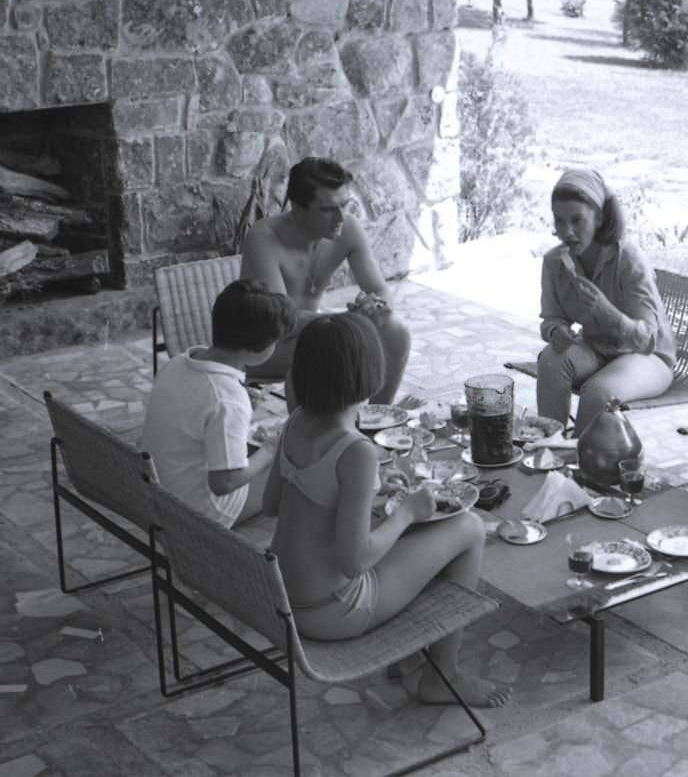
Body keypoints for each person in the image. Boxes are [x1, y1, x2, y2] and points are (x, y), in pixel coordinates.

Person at [265, 312, 511, 708]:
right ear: (368, 373)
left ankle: (415, 657)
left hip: (286, 597)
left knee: (417, 533)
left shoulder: (295, 422)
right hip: (334, 612)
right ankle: (441, 675)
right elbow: (354, 561)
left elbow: (272, 505)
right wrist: (406, 512)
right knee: (468, 528)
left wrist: (372, 502)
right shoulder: (356, 451)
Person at [241, 157, 411, 408]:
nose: (341, 217)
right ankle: (303, 440)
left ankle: (379, 419)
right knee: (320, 348)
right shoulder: (263, 238)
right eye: (329, 209)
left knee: (396, 331)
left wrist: (378, 308)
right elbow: (281, 320)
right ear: (298, 210)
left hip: (310, 331)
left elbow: (379, 288)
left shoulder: (347, 229)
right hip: (262, 346)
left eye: (345, 205)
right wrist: (350, 319)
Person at [142, 280, 297, 528]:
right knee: (294, 465)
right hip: (201, 512)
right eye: (275, 342)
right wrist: (270, 450)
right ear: (256, 349)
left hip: (161, 492)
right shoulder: (228, 399)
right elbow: (223, 483)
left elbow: (200, 406)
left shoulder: (179, 362)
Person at [536, 168, 676, 435]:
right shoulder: (554, 263)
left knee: (599, 392)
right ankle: (548, 448)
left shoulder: (628, 259)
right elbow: (551, 319)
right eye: (559, 221)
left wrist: (607, 313)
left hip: (648, 357)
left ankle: (579, 465)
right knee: (551, 361)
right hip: (597, 348)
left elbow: (647, 340)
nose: (567, 232)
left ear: (599, 218)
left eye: (578, 221)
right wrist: (557, 332)